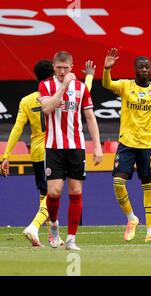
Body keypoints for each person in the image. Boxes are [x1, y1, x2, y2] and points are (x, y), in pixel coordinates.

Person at [1, 60, 96, 247]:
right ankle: (34, 227)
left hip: (36, 151)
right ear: (53, 72)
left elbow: (17, 129)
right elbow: (84, 91)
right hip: (55, 147)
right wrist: (90, 76)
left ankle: (53, 235)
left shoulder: (27, 100)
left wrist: (6, 156)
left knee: (46, 194)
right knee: (55, 195)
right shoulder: (65, 92)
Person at [102, 48, 151, 243]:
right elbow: (107, 84)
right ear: (135, 69)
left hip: (147, 146)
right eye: (141, 67)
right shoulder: (126, 86)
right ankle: (131, 218)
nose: (144, 69)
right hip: (126, 143)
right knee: (118, 182)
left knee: (148, 186)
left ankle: (150, 232)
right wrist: (107, 69)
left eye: (147, 67)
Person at [38, 51, 102, 251]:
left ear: (72, 67)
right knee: (54, 192)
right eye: (59, 68)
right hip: (54, 147)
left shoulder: (82, 88)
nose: (62, 71)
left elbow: (90, 117)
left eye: (66, 68)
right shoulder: (45, 85)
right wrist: (64, 86)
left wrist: (98, 145)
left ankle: (72, 239)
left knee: (76, 191)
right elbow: (47, 108)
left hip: (76, 147)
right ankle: (55, 225)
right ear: (53, 66)